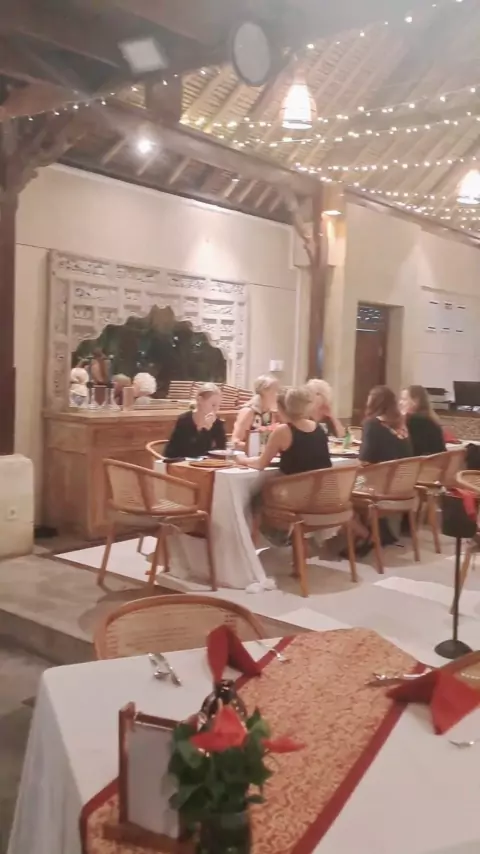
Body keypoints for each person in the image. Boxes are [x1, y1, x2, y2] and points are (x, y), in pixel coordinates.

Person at [237, 385, 331, 474]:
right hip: (321, 485)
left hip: (293, 485)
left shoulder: (283, 430)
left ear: (285, 407)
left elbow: (260, 464)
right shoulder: (319, 428)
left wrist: (242, 460)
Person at [164, 382, 226, 459]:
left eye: (218, 406)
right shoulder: (184, 420)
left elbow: (222, 450)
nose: (216, 409)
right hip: (181, 463)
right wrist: (205, 429)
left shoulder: (217, 423)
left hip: (207, 464)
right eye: (213, 405)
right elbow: (191, 452)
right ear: (200, 400)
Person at [359, 385, 412, 464]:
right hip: (404, 471)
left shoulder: (372, 424)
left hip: (380, 471)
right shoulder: (401, 424)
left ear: (372, 403)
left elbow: (364, 460)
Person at [231, 375, 279, 450]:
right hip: (247, 455)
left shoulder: (270, 414)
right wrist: (258, 448)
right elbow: (235, 442)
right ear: (264, 391)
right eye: (274, 391)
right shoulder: (248, 412)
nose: (277, 395)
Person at [400, 384, 446, 457]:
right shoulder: (432, 420)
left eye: (404, 399)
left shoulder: (413, 421)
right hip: (436, 462)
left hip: (418, 463)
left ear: (415, 401)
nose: (400, 402)